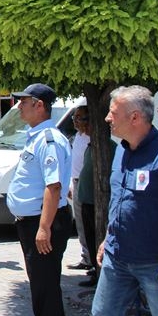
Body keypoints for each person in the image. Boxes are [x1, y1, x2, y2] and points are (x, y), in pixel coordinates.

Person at [79, 86, 158, 316]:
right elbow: (120, 202)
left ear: (134, 117)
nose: (106, 119)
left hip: (157, 264)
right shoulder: (120, 153)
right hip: (118, 258)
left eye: (112, 113)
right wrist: (107, 238)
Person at [6, 83, 72, 316]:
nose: (19, 106)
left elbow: (53, 186)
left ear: (40, 105)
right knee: (46, 283)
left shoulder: (49, 140)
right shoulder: (36, 137)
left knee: (43, 286)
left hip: (42, 222)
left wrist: (44, 228)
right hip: (34, 221)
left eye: (24, 102)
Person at [75, 111, 115, 288]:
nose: (81, 124)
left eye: (84, 120)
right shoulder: (89, 145)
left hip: (96, 202)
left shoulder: (110, 147)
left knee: (97, 237)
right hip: (85, 199)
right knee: (89, 236)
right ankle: (93, 268)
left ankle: (100, 273)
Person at [67, 105, 93, 272]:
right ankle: (86, 257)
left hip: (87, 185)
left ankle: (91, 259)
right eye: (74, 118)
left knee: (88, 223)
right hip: (76, 182)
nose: (76, 122)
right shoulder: (78, 136)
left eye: (80, 118)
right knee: (81, 224)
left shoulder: (92, 138)